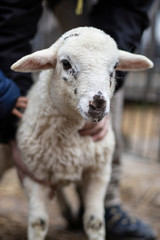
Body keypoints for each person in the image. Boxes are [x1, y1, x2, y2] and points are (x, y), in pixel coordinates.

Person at [0, 0, 156, 239]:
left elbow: (128, 17)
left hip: (116, 9)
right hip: (45, 5)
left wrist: (110, 79)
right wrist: (14, 105)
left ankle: (108, 203)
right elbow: (12, 21)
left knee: (99, 50)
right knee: (71, 50)